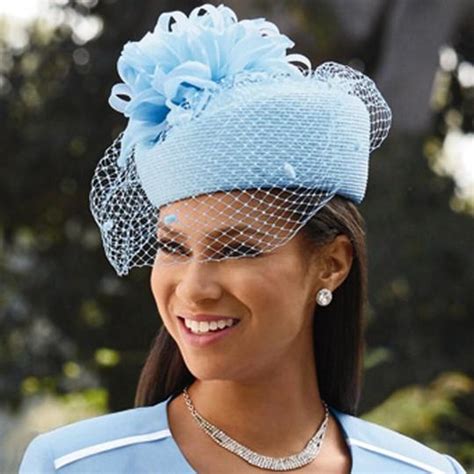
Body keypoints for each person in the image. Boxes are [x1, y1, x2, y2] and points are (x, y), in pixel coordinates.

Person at [19, 4, 466, 473]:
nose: (193, 288)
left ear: (331, 264)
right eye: (173, 246)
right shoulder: (73, 466)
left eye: (236, 249)